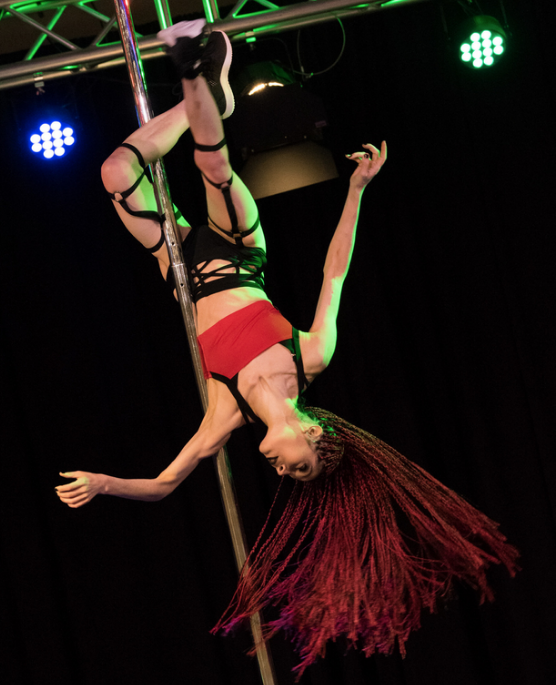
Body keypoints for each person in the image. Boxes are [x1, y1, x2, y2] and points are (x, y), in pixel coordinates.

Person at [55, 21, 518, 676]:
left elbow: (164, 483)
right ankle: (194, 72)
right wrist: (355, 193)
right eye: (300, 468)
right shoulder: (310, 357)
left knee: (115, 170)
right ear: (317, 435)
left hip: (182, 271)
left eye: (286, 473)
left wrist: (103, 483)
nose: (280, 468)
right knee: (212, 166)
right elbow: (334, 273)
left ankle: (205, 91)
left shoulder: (227, 414)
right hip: (242, 256)